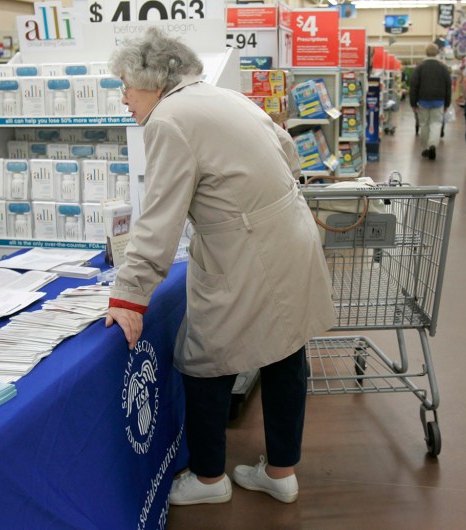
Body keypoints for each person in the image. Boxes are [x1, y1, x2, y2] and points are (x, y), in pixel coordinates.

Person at [105, 27, 336, 506]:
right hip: (289, 233)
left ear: (153, 79)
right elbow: (287, 153)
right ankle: (281, 472)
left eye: (125, 84)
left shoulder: (168, 119)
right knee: (285, 349)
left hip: (249, 249)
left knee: (204, 358)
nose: (123, 96)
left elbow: (159, 218)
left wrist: (129, 293)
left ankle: (209, 480)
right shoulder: (224, 97)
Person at [410, 43, 452, 160]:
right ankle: (433, 144)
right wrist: (447, 103)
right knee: (436, 123)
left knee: (424, 124)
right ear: (437, 53)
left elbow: (413, 86)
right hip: (439, 100)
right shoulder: (443, 68)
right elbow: (448, 87)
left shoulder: (420, 68)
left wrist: (413, 103)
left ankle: (426, 148)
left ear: (426, 53)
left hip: (423, 100)